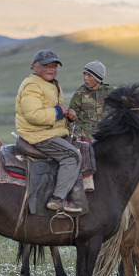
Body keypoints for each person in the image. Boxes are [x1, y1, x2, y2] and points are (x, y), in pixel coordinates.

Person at [15, 49, 83, 214]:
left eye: (54, 65)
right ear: (34, 66)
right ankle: (58, 199)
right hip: (38, 134)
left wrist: (67, 115)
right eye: (46, 66)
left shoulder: (48, 83)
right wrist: (59, 112)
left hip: (48, 131)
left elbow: (50, 109)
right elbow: (34, 115)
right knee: (72, 156)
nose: (51, 69)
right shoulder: (32, 85)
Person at [69, 60, 114, 141]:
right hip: (85, 137)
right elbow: (71, 116)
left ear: (98, 77)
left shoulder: (110, 91)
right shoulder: (80, 92)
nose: (85, 78)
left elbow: (118, 113)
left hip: (106, 136)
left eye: (89, 76)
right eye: (84, 75)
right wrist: (77, 133)